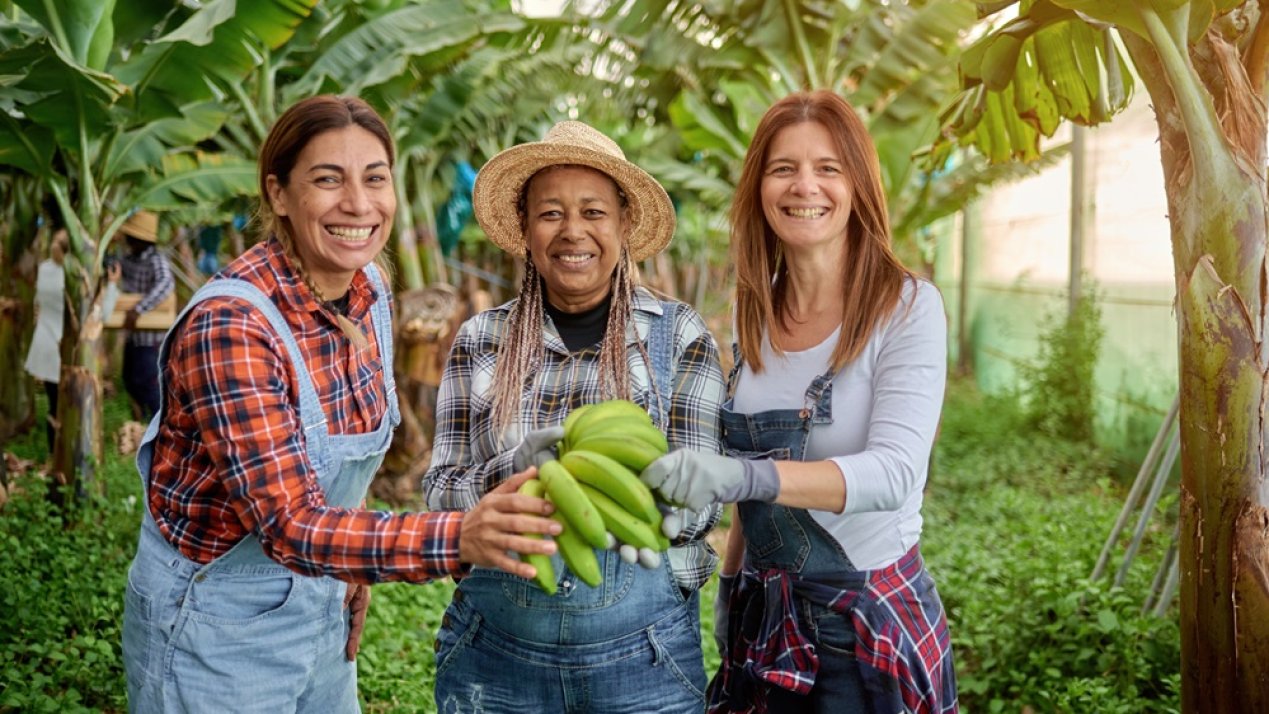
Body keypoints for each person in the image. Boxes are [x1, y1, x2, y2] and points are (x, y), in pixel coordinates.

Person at [121, 95, 562, 713]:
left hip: (323, 601)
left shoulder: (370, 289)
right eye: (328, 179)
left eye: (375, 178)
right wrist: (461, 533)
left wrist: (351, 568)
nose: (358, 204)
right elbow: (290, 523)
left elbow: (335, 484)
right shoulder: (235, 327)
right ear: (278, 193)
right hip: (216, 624)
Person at [640, 91, 958, 713]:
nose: (803, 185)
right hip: (767, 620)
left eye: (828, 168)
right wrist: (731, 586)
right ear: (759, 186)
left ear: (858, 186)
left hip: (861, 625)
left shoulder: (908, 307)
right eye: (783, 168)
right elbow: (745, 468)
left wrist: (742, 475)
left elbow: (895, 473)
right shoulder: (756, 306)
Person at [422, 120, 726, 713]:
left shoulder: (676, 335)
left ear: (623, 225)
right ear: (527, 231)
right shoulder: (482, 339)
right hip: (496, 663)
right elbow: (439, 493)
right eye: (551, 213)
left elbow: (706, 499)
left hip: (645, 660)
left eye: (593, 212)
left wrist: (640, 502)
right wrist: (519, 471)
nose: (573, 232)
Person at [24, 220, 119, 451]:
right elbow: (102, 314)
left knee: (53, 404)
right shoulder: (79, 279)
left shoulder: (44, 270)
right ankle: (71, 453)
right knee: (73, 405)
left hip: (46, 345)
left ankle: (53, 453)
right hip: (72, 353)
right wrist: (113, 285)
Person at [115, 210, 176, 420]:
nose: (128, 240)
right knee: (129, 379)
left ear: (142, 239)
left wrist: (139, 308)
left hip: (150, 339)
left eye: (132, 237)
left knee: (148, 383)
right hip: (134, 336)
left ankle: (159, 428)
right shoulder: (128, 259)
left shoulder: (155, 261)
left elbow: (166, 284)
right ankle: (141, 422)